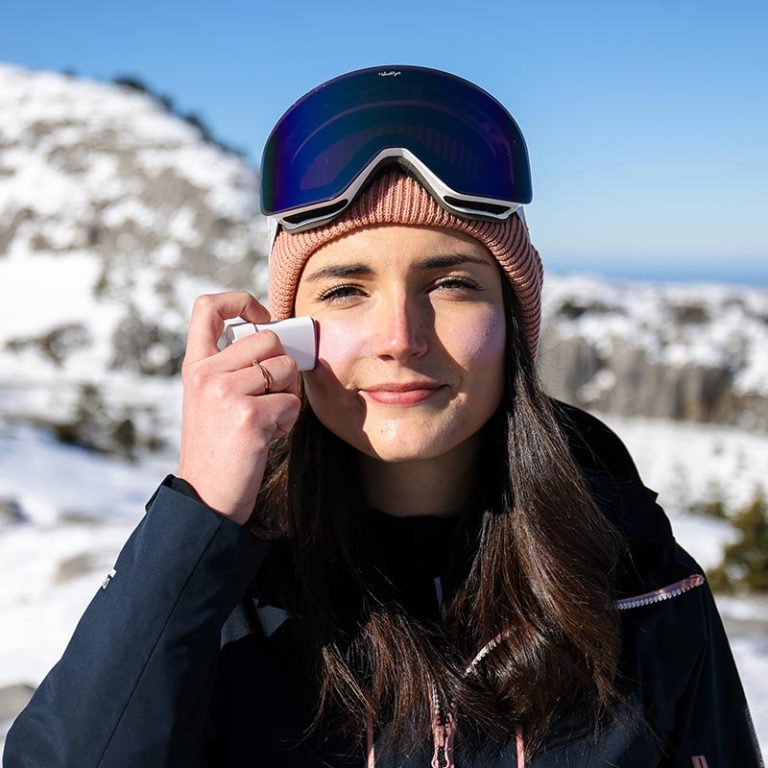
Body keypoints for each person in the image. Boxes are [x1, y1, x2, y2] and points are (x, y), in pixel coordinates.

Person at [4, 65, 762, 768]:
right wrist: (199, 511)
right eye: (344, 290)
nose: (401, 337)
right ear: (285, 336)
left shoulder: (637, 580)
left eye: (453, 283)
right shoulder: (222, 596)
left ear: (513, 324)